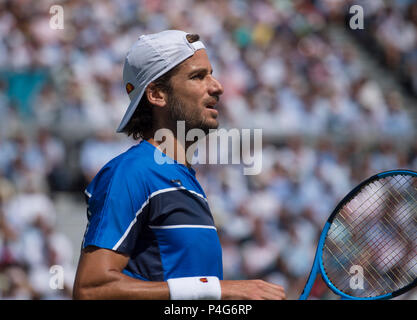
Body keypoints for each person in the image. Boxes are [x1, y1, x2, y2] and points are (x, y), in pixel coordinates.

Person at [73, 30, 286, 300]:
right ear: (157, 94)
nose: (217, 86)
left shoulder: (186, 179)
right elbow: (91, 289)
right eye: (198, 76)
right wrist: (221, 291)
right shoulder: (132, 172)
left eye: (211, 73)